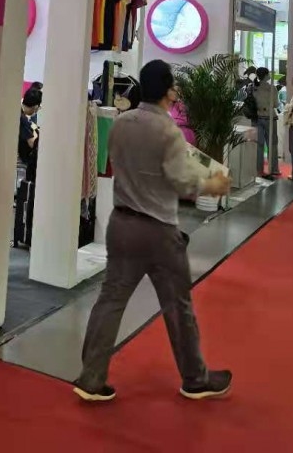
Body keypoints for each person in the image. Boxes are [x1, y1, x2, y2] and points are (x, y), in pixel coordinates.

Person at [74, 59, 232, 404]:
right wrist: (212, 184)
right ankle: (196, 379)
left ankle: (91, 377)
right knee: (178, 306)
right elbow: (181, 181)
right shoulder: (167, 131)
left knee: (110, 300)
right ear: (168, 91)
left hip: (121, 224)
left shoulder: (122, 123)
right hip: (159, 231)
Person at [253, 67, 279, 177]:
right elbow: (276, 104)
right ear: (266, 75)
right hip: (270, 118)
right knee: (272, 144)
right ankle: (273, 169)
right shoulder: (272, 88)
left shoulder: (254, 87)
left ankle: (259, 170)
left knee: (259, 145)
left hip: (257, 117)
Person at [18, 83, 42, 182]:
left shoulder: (20, 114)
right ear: (36, 107)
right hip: (20, 165)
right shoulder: (23, 120)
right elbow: (32, 143)